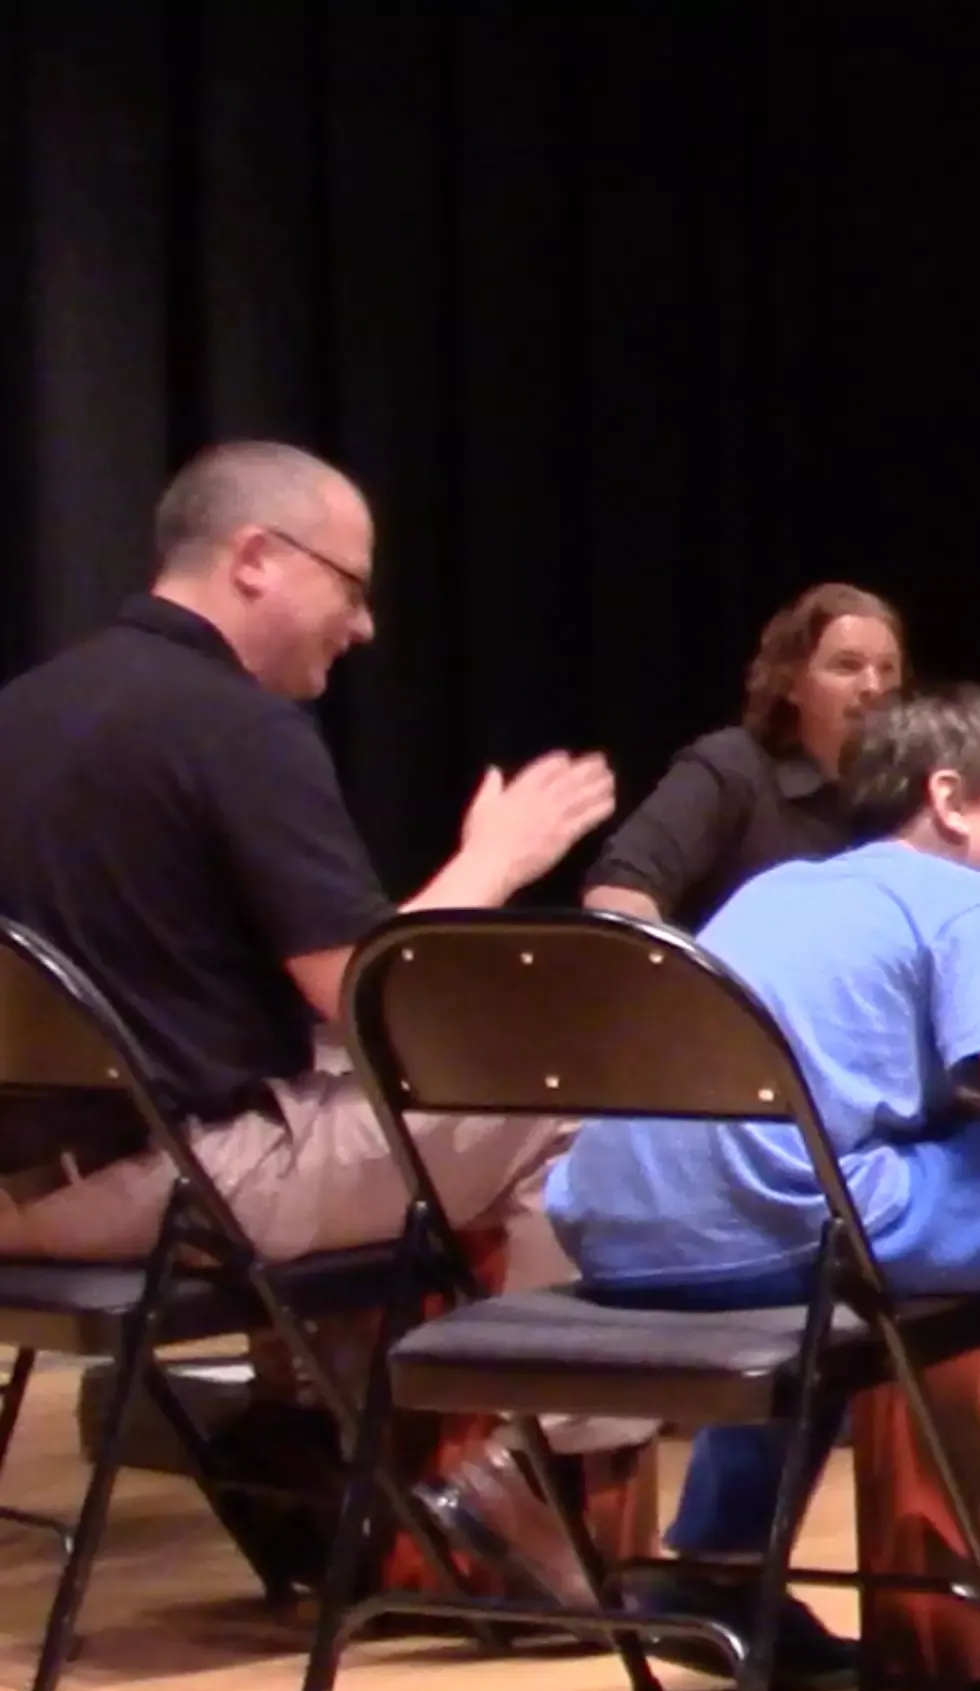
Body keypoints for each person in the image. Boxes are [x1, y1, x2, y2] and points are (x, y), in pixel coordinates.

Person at [0, 438, 623, 1590]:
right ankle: (520, 1470)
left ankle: (302, 1434)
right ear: (255, 558)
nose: (365, 624)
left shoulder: (23, 713)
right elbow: (371, 990)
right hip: (157, 1191)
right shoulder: (238, 728)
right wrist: (495, 858)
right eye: (351, 584)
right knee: (574, 1108)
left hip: (19, 1190)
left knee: (328, 1098)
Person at [546, 683, 980, 1691]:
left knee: (837, 1240)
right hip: (776, 1228)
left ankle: (716, 1560)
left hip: (619, 1236)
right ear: (951, 798)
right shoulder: (970, 900)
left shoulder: (778, 891)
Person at [582, 582, 907, 927]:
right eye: (847, 666)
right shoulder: (732, 766)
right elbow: (618, 891)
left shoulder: (909, 789)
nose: (874, 687)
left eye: (887, 669)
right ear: (792, 684)